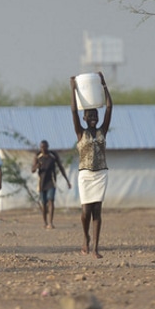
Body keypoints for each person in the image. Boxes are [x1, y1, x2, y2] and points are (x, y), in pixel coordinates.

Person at [71, 73, 113, 258]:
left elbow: (110, 107)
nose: (94, 117)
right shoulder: (81, 133)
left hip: (101, 174)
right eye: (90, 115)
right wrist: (72, 88)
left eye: (95, 114)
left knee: (97, 210)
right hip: (86, 175)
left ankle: (96, 247)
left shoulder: (102, 131)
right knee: (85, 211)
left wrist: (104, 86)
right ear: (84, 118)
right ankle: (85, 237)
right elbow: (73, 110)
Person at [31, 139, 71, 229]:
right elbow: (32, 170)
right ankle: (45, 222)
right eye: (41, 147)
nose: (43, 149)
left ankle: (51, 222)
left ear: (48, 147)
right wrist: (37, 166)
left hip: (51, 182)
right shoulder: (37, 156)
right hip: (41, 183)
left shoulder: (53, 156)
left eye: (45, 147)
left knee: (51, 201)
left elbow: (61, 168)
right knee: (44, 203)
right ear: (40, 148)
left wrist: (67, 181)